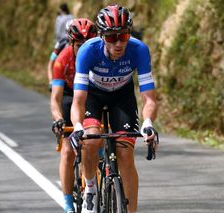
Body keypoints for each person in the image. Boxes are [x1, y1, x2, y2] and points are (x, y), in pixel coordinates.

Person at [69, 4, 158, 213]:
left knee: (125, 154)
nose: (118, 43)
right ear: (101, 36)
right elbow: (78, 100)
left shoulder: (139, 50)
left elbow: (150, 99)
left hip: (122, 96)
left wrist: (148, 123)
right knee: (92, 141)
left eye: (123, 36)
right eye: (111, 37)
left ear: (129, 34)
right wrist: (77, 126)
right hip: (94, 96)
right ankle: (90, 189)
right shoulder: (87, 51)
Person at [50, 18, 98, 213]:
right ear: (71, 44)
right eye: (80, 45)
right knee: (68, 152)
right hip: (70, 95)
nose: (84, 49)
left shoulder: (100, 55)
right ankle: (68, 204)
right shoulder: (62, 60)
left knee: (98, 136)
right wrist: (59, 119)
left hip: (93, 92)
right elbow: (55, 98)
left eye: (88, 44)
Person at [47, 20, 73, 91]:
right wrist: (51, 81)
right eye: (70, 32)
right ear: (66, 32)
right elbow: (51, 64)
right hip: (63, 79)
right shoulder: (62, 43)